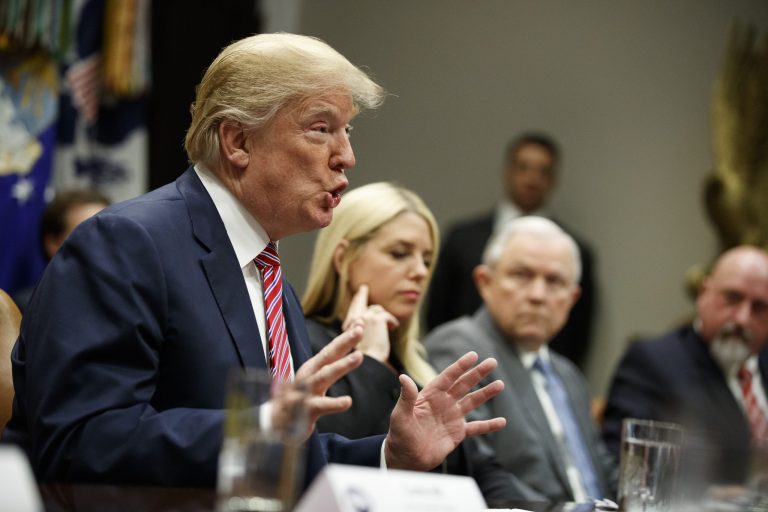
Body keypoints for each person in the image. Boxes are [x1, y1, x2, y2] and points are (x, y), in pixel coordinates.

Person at [2, 33, 506, 488]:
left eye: (348, 131)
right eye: (321, 128)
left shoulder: (267, 274)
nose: (347, 156)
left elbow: (280, 461)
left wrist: (390, 455)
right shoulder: (126, 244)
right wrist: (260, 425)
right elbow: (82, 439)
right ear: (238, 141)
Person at [301, 181, 543, 502]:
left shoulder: (415, 361)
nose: (419, 271)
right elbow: (328, 462)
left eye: (427, 260)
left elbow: (481, 468)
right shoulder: (304, 342)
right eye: (399, 253)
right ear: (344, 257)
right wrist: (370, 360)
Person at [425, 216, 616, 503]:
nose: (538, 295)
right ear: (485, 282)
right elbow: (478, 472)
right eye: (521, 275)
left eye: (554, 281)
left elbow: (604, 473)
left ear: (572, 298)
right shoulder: (460, 348)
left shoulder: (569, 375)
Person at [426, 132, 596, 368]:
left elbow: (578, 334)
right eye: (523, 167)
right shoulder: (462, 239)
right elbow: (438, 312)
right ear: (507, 172)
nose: (532, 178)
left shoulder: (576, 250)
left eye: (543, 171)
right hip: (465, 364)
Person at [602, 245, 768, 487]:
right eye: (733, 298)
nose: (743, 318)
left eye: (760, 307)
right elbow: (626, 469)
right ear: (703, 293)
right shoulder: (653, 362)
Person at [12, 188, 111, 312]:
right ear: (53, 243)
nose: (102, 243)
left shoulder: (126, 303)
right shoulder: (28, 308)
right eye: (88, 234)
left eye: (107, 232)